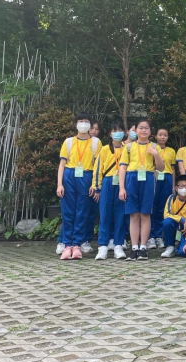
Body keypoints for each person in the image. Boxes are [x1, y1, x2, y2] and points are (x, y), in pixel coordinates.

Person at [56, 112, 102, 260]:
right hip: (69, 175)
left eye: (86, 121)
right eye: (80, 121)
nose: (83, 124)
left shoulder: (96, 142)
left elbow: (98, 166)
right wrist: (59, 184)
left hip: (87, 176)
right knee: (68, 211)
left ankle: (77, 244)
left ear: (90, 125)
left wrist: (95, 184)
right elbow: (62, 165)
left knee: (82, 211)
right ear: (76, 124)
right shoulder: (68, 141)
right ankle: (66, 244)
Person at [118, 119, 165, 261]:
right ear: (135, 130)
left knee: (145, 214)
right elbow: (122, 167)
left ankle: (143, 247)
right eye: (141, 128)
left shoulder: (154, 146)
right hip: (131, 179)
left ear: (150, 131)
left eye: (146, 128)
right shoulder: (129, 147)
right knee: (133, 215)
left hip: (148, 179)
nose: (144, 130)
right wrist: (121, 188)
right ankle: (134, 248)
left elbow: (161, 168)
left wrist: (155, 154)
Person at [92, 121, 127, 260]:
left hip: (122, 183)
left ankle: (118, 244)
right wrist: (97, 188)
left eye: (120, 130)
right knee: (105, 214)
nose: (117, 133)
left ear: (124, 132)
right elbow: (97, 169)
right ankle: (102, 246)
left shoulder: (127, 149)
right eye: (114, 130)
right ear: (109, 134)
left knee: (120, 214)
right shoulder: (105, 149)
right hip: (107, 182)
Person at [148, 128, 176, 250]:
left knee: (162, 207)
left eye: (165, 135)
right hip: (154, 177)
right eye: (160, 135)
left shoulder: (171, 151)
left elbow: (173, 169)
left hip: (167, 178)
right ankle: (150, 236)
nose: (162, 137)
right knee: (151, 206)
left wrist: (173, 185)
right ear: (156, 136)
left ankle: (158, 235)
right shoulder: (151, 148)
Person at [161, 175, 186, 259]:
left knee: (182, 253)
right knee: (167, 222)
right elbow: (166, 214)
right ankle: (170, 247)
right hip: (175, 225)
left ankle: (184, 245)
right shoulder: (172, 198)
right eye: (181, 186)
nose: (184, 189)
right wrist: (182, 219)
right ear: (176, 188)